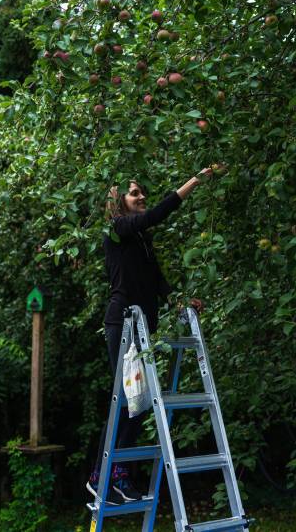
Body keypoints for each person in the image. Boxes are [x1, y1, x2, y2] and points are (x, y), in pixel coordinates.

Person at [86, 168, 212, 505]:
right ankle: (102, 476)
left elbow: (156, 278)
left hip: (143, 325)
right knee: (126, 402)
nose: (141, 198)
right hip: (123, 324)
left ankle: (116, 475)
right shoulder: (117, 230)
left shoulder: (140, 238)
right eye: (134, 193)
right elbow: (156, 215)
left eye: (142, 192)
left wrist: (178, 301)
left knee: (139, 404)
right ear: (119, 203)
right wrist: (193, 182)